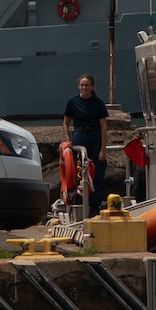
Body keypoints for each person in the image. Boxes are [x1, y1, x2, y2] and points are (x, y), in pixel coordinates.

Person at [62, 74, 111, 214]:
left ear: (92, 87)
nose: (84, 87)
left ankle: (94, 205)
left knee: (98, 171)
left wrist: (103, 149)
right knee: (79, 171)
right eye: (82, 85)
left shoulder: (98, 103)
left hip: (95, 136)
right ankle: (79, 203)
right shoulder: (72, 102)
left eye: (87, 85)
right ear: (79, 86)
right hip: (79, 135)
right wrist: (68, 139)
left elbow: (103, 126)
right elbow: (66, 123)